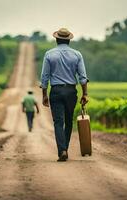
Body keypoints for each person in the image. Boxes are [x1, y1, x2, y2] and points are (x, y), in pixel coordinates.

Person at [40, 28, 89, 162]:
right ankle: (64, 149)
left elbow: (45, 77)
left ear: (56, 40)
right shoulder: (77, 55)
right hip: (71, 92)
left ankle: (62, 150)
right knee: (68, 121)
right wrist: (85, 94)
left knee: (58, 122)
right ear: (69, 40)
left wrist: (44, 95)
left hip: (56, 91)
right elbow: (83, 77)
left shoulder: (49, 54)